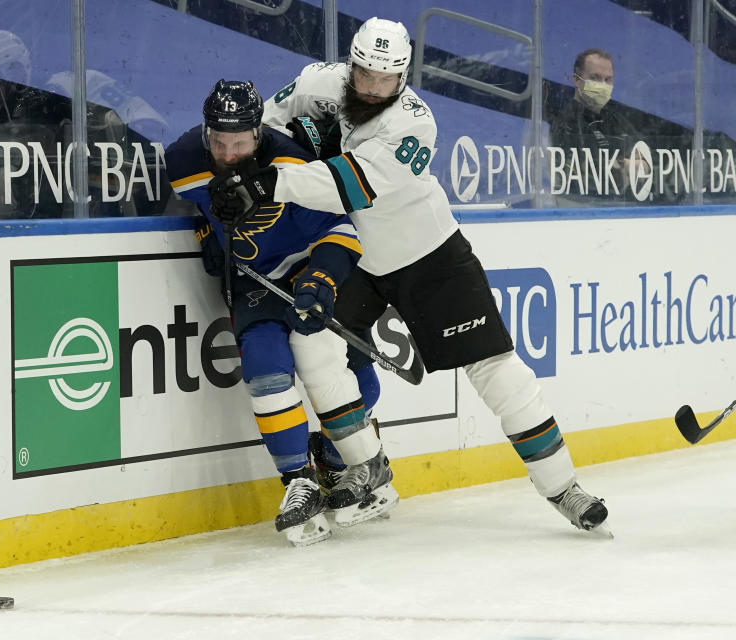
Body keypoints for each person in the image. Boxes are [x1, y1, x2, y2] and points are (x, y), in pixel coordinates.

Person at [209, 18, 611, 534]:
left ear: (402, 76)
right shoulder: (320, 83)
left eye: (385, 79)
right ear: (351, 65)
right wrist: (235, 166)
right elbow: (258, 124)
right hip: (358, 258)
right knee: (311, 346)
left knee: (495, 369)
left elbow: (350, 185)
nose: (372, 88)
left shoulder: (415, 123)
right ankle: (366, 467)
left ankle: (564, 487)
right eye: (364, 75)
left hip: (431, 257)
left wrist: (268, 183)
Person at [165, 79, 397, 546]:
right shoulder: (185, 160)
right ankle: (299, 482)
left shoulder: (292, 163)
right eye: (220, 142)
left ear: (259, 133)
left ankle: (343, 463)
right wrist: (207, 232)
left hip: (319, 268)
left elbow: (342, 230)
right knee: (265, 369)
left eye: (240, 143)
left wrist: (321, 279)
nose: (228, 153)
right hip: (256, 280)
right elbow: (194, 203)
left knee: (345, 366)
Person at [549, 48, 649, 203]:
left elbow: (646, 160)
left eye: (608, 79)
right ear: (576, 80)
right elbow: (587, 172)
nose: (602, 85)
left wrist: (618, 164)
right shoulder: (566, 121)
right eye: (595, 78)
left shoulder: (616, 118)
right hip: (578, 206)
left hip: (619, 205)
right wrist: (625, 164)